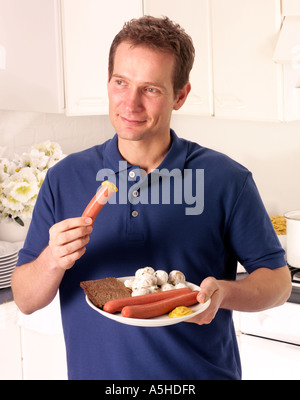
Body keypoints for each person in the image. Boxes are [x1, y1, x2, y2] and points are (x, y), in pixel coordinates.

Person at [12, 16, 291, 380]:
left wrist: (224, 292)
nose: (130, 103)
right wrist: (52, 259)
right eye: (120, 83)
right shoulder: (65, 178)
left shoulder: (226, 180)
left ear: (180, 95)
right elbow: (25, 298)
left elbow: (279, 282)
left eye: (151, 89)